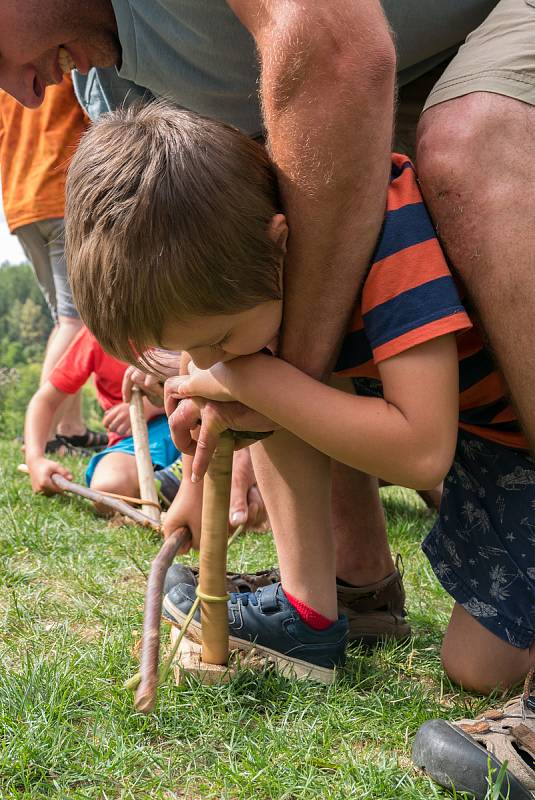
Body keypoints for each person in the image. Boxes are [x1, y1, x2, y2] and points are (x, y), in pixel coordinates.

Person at [2, 0, 533, 660]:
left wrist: (254, 378)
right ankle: (320, 607)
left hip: (507, 443)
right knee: (479, 664)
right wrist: (197, 478)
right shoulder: (259, 273)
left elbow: (421, 451)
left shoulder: (387, 242)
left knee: (476, 669)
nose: (206, 363)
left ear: (282, 241)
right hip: (483, 450)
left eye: (214, 341)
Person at [0, 76, 105, 451]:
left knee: (66, 319)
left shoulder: (8, 74)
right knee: (76, 319)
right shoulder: (61, 63)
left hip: (21, 203)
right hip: (62, 193)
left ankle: (71, 426)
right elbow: (98, 113)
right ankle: (43, 435)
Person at [24, 323, 181, 511]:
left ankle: (184, 484)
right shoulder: (98, 333)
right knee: (109, 489)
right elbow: (44, 401)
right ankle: (173, 484)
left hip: (192, 421)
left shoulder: (181, 320)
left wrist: (149, 407)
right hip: (136, 439)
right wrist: (35, 460)